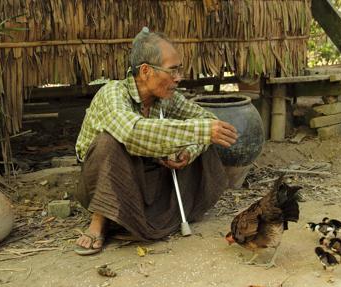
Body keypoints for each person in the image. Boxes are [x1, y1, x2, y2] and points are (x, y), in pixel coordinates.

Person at [73, 27, 238, 255]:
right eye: (172, 70)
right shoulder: (112, 94)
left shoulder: (166, 99)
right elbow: (133, 132)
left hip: (143, 179)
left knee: (204, 136)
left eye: (179, 70)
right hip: (106, 182)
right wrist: (199, 131)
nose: (179, 78)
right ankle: (99, 222)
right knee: (107, 142)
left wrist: (189, 150)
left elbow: (206, 118)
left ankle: (158, 216)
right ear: (146, 71)